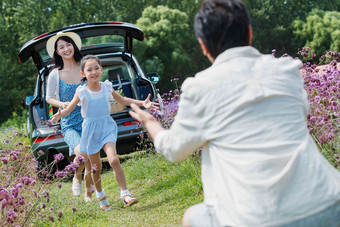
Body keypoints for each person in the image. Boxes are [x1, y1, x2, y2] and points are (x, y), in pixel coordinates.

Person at [129, 0, 340, 226]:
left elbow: (174, 149)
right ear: (249, 33)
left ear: (203, 45)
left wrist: (149, 120)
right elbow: (301, 113)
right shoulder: (286, 69)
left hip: (256, 218)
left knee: (191, 217)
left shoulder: (200, 87)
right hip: (328, 202)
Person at [51, 54, 159, 211]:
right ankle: (100, 195)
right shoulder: (81, 92)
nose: (94, 72)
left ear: (101, 70)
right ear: (83, 74)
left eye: (96, 68)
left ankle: (125, 194)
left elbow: (123, 100)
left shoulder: (107, 87)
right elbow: (68, 110)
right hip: (90, 131)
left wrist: (142, 103)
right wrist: (60, 114)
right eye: (89, 69)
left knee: (114, 160)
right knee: (96, 168)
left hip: (106, 127)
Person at [45, 32, 93, 201]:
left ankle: (83, 184)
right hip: (69, 124)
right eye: (61, 47)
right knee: (82, 153)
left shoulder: (84, 66)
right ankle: (78, 178)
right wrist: (61, 104)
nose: (66, 49)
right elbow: (49, 98)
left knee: (89, 158)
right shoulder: (55, 74)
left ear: (74, 45)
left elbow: (95, 84)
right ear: (57, 52)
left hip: (89, 120)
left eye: (68, 45)